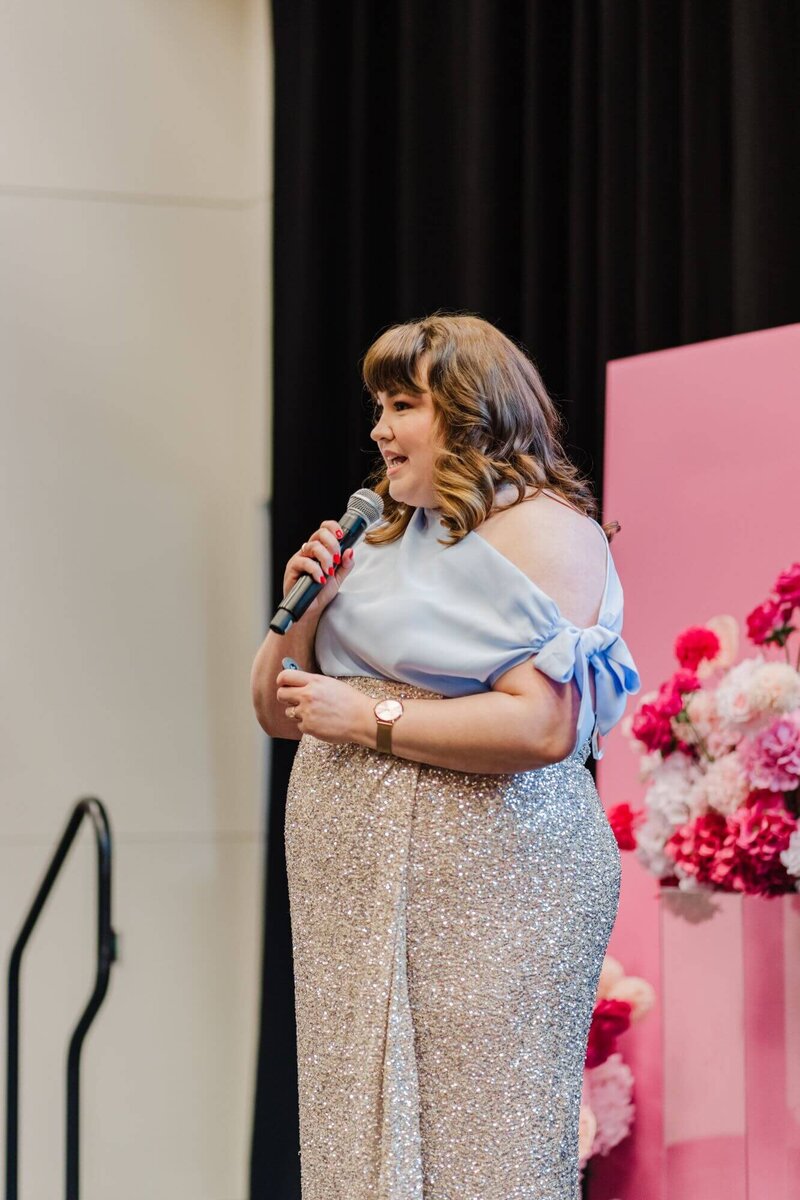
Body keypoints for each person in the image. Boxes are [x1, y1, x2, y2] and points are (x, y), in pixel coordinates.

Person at [250, 313, 641, 1200]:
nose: (379, 431)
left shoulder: (547, 532)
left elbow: (544, 729)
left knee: (483, 1147)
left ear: (469, 411)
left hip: (494, 878)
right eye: (377, 407)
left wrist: (371, 717)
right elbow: (278, 713)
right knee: (358, 1130)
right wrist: (301, 615)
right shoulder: (378, 532)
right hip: (351, 884)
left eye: (401, 405)